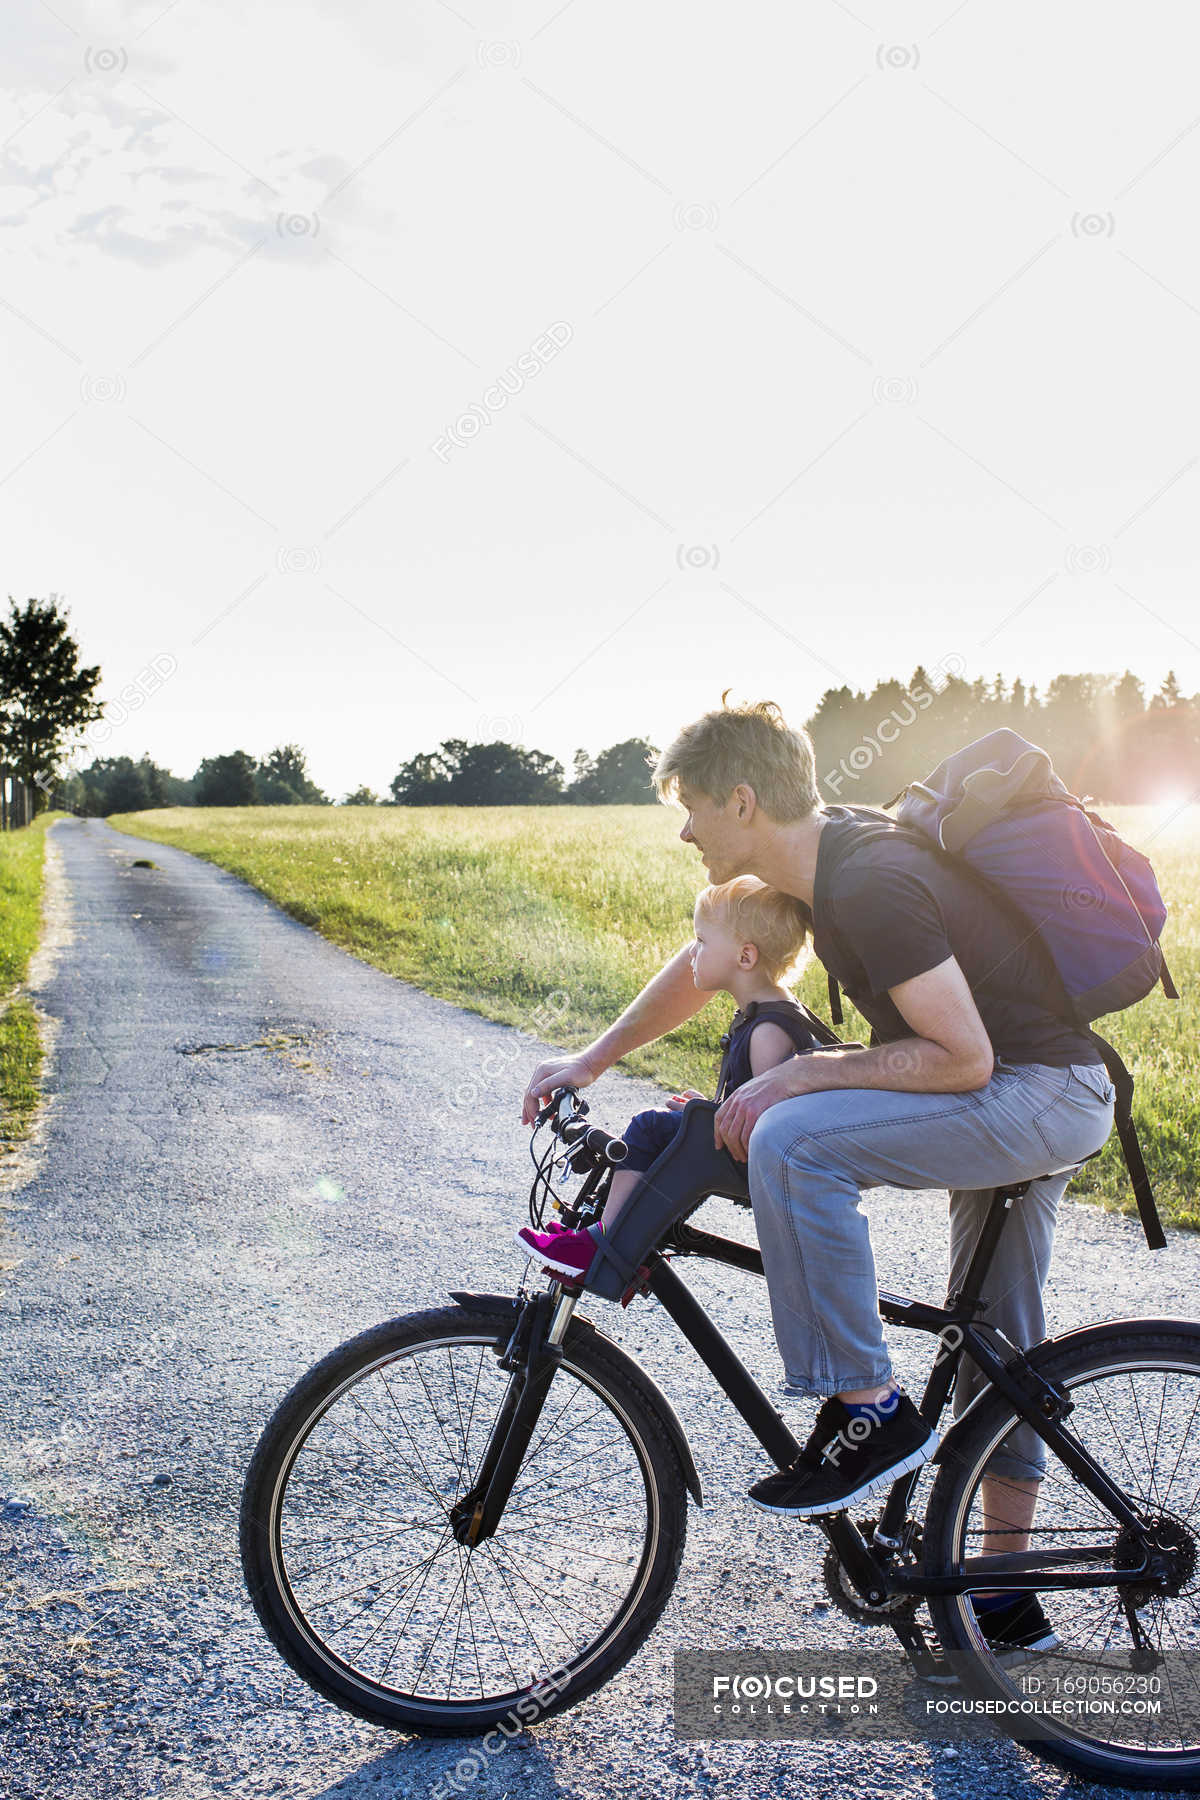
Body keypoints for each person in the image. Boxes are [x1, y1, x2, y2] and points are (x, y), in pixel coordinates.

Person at [522, 697, 1116, 1667]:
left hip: (1040, 1092)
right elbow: (701, 962)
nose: (683, 830)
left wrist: (801, 1072)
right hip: (1024, 1084)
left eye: (692, 809)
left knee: (793, 1139)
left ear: (743, 800)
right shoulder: (813, 862)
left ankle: (867, 1410)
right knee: (999, 1344)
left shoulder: (870, 878)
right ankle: (1004, 1600)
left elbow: (962, 1058)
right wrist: (592, 1058)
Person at [515, 875, 821, 1282]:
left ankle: (604, 1243)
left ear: (745, 957)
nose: (692, 952)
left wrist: (709, 1119)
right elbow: (749, 1099)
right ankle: (609, 1234)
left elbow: (768, 1121)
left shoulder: (769, 1030)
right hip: (745, 1147)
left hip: (757, 1160)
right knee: (667, 1129)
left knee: (649, 1126)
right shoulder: (764, 1013)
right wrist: (708, 1110)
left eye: (702, 941)